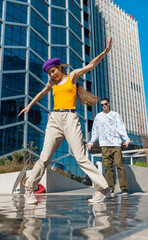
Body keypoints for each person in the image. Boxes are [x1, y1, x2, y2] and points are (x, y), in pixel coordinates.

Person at [18, 38, 113, 204]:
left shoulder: (72, 76)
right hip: (55, 119)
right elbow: (41, 93)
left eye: (53, 71)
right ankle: (29, 190)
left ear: (60, 68)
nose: (52, 74)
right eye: (50, 73)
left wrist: (104, 53)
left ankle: (103, 189)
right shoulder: (51, 84)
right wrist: (29, 106)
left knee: (80, 157)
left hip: (70, 118)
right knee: (44, 157)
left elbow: (90, 66)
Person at [86, 98, 132, 197]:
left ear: (109, 104)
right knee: (107, 168)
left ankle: (124, 188)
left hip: (116, 144)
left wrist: (126, 139)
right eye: (102, 105)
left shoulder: (115, 115)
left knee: (119, 165)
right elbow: (95, 131)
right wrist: (91, 143)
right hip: (104, 145)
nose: (104, 106)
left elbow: (121, 127)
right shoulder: (98, 116)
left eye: (105, 104)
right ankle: (110, 189)